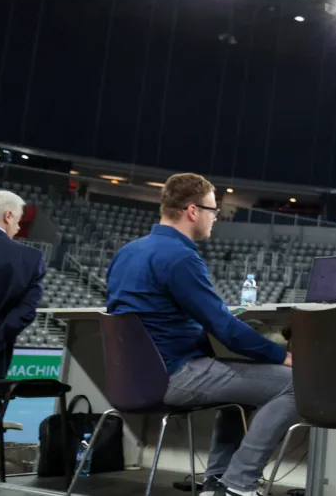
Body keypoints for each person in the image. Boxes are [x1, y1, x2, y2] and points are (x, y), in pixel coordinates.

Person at [107, 174, 297, 496]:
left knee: (242, 388)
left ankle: (216, 483)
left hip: (135, 377)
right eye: (213, 209)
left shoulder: (128, 251)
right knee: (299, 384)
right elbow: (226, 331)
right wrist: (284, 355)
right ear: (193, 211)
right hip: (174, 374)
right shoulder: (180, 257)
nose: (215, 218)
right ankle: (240, 484)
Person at [0, 190, 44, 379]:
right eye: (18, 221)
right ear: (8, 216)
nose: (17, 227)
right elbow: (26, 311)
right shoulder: (31, 258)